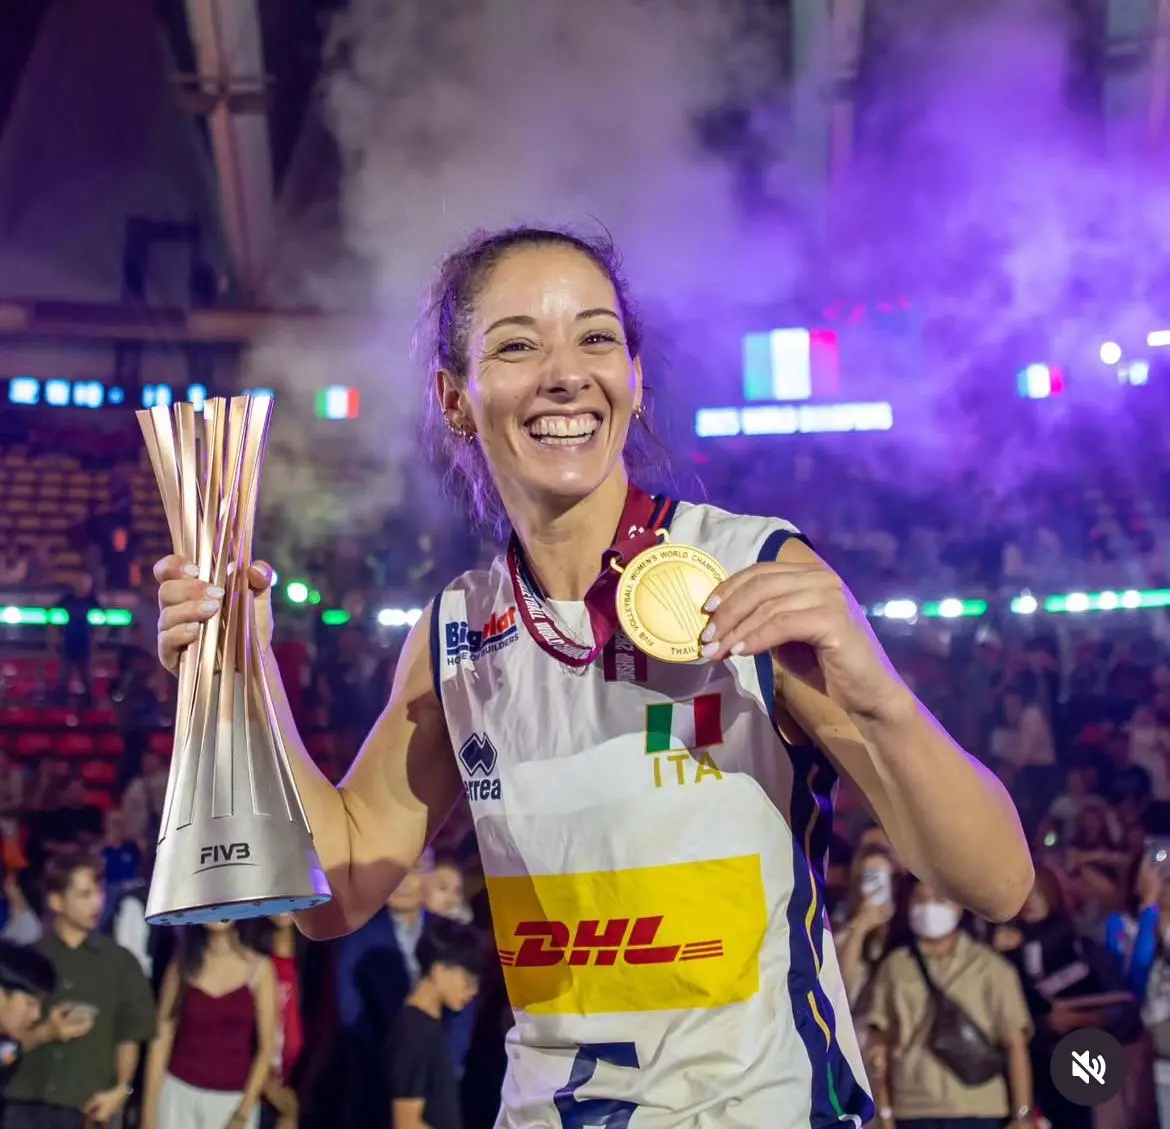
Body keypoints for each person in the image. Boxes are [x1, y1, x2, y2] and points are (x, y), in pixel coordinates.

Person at [154, 225, 1032, 1127]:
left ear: (634, 377)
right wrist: (243, 668)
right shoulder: (457, 630)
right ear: (455, 399)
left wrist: (880, 694)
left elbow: (999, 884)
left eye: (596, 337)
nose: (566, 373)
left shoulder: (748, 569)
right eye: (517, 345)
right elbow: (335, 892)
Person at [4, 851, 156, 1129]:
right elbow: (7, 1041)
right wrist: (47, 1032)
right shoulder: (30, 960)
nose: (97, 902)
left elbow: (130, 1035)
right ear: (56, 900)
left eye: (99, 892)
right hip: (23, 1104)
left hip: (86, 1108)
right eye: (85, 895)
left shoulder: (120, 963)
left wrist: (121, 1090)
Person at [142, 921, 276, 1129]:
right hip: (177, 1094)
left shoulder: (261, 969)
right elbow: (161, 1036)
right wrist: (149, 1113)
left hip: (231, 1102)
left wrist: (242, 1114)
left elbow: (266, 1051)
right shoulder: (183, 963)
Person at [386, 916, 483, 1129]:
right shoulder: (414, 1032)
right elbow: (406, 1123)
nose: (474, 991)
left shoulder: (429, 1025)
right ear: (439, 970)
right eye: (469, 980)